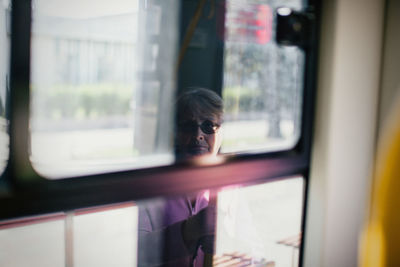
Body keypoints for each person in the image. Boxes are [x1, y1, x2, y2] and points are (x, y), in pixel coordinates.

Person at [138, 88, 223, 267]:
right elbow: (136, 253)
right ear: (174, 134)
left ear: (220, 135)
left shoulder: (229, 186)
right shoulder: (150, 186)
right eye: (188, 126)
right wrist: (188, 231)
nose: (198, 135)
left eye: (208, 126)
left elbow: (252, 245)